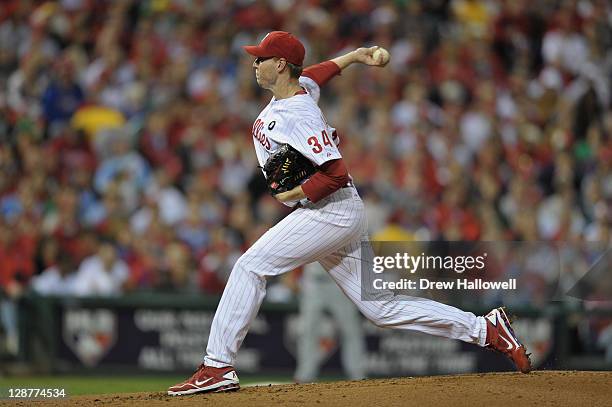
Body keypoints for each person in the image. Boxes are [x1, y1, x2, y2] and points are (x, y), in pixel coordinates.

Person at [168, 31, 531, 396]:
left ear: (279, 65)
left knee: (250, 266)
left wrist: (296, 192)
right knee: (381, 309)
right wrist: (355, 56)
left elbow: (335, 171)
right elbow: (316, 73)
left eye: (260, 58)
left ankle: (217, 365)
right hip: (338, 211)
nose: (254, 64)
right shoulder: (301, 89)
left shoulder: (299, 112)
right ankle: (486, 328)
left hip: (330, 210)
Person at [295, 262, 366, 383]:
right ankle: (305, 375)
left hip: (339, 281)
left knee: (350, 330)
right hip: (313, 281)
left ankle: (357, 374)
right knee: (308, 330)